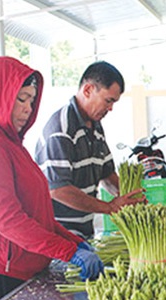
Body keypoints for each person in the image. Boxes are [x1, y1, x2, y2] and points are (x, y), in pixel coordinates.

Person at [0, 57, 104, 300]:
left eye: (31, 101)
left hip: (19, 273)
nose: (27, 109)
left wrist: (72, 241)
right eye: (20, 99)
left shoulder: (11, 144)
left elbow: (36, 215)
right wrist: (68, 251)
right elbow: (9, 221)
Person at [35, 61, 144, 239]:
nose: (111, 109)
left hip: (84, 233)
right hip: (59, 236)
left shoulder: (96, 127)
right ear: (88, 90)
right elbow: (58, 189)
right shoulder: (61, 129)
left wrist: (128, 196)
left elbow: (106, 173)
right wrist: (109, 207)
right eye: (108, 101)